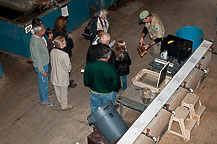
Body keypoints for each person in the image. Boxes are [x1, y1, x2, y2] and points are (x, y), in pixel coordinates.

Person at [84, 44, 121, 113]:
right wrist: (113, 89)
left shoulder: (89, 65)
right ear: (109, 56)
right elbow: (116, 84)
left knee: (94, 108)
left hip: (93, 92)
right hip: (106, 93)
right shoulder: (112, 69)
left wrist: (91, 85)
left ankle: (93, 123)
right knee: (107, 110)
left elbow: (86, 80)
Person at [30, 22, 54, 107]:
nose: (45, 30)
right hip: (42, 65)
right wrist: (42, 70)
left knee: (44, 82)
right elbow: (36, 58)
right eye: (43, 29)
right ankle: (44, 100)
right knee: (43, 82)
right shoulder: (35, 42)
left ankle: (45, 92)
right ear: (38, 32)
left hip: (44, 63)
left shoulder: (39, 37)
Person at [53, 16, 77, 88]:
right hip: (65, 53)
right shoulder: (63, 35)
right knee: (67, 69)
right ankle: (67, 83)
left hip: (58, 52)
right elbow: (70, 44)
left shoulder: (54, 31)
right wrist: (69, 38)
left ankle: (67, 81)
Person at [50, 36, 72, 111]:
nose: (66, 42)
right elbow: (68, 68)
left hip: (54, 76)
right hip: (62, 77)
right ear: (62, 44)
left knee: (58, 91)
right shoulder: (64, 55)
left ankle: (61, 102)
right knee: (63, 92)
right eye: (64, 41)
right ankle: (64, 106)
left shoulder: (52, 51)